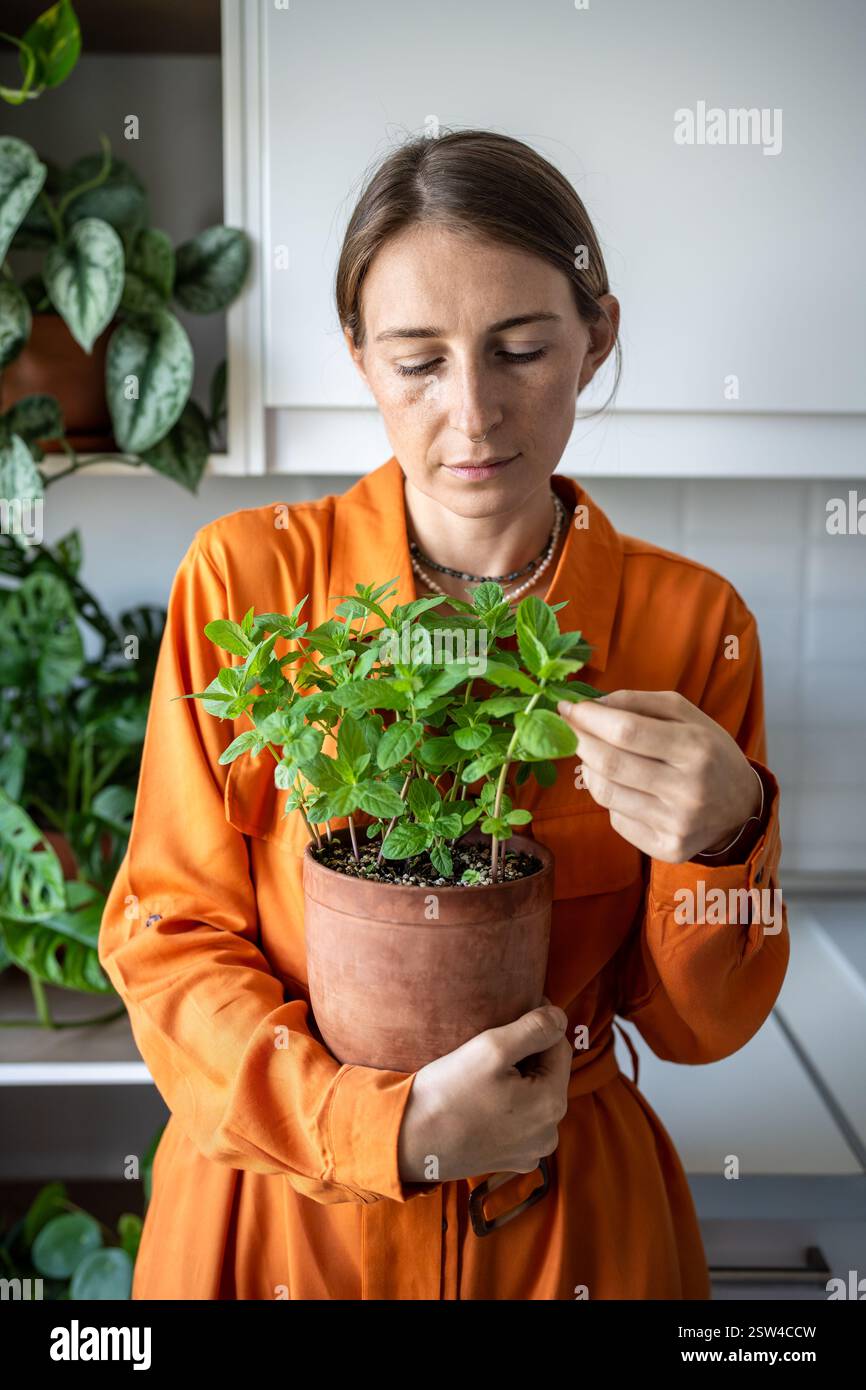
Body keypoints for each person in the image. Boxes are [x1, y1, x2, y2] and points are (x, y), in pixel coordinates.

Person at [98, 129, 789, 1300]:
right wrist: (385, 1133)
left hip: (566, 1220)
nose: (470, 414)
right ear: (358, 356)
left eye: (519, 348)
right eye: (417, 361)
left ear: (595, 338)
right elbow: (170, 946)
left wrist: (728, 837)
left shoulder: (690, 621)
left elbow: (697, 1027)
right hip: (280, 1215)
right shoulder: (245, 581)